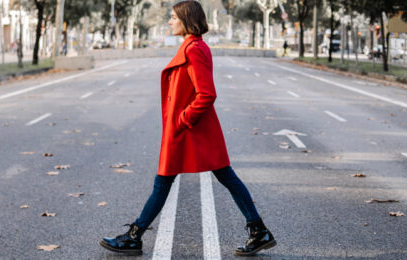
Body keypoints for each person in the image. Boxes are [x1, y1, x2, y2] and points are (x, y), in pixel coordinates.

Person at [99, 0, 276, 257]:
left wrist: (183, 119)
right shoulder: (192, 47)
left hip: (190, 131)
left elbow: (206, 93)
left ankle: (134, 237)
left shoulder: (194, 49)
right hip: (192, 131)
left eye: (173, 17)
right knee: (217, 177)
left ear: (185, 20)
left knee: (168, 181)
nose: (169, 21)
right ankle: (258, 230)